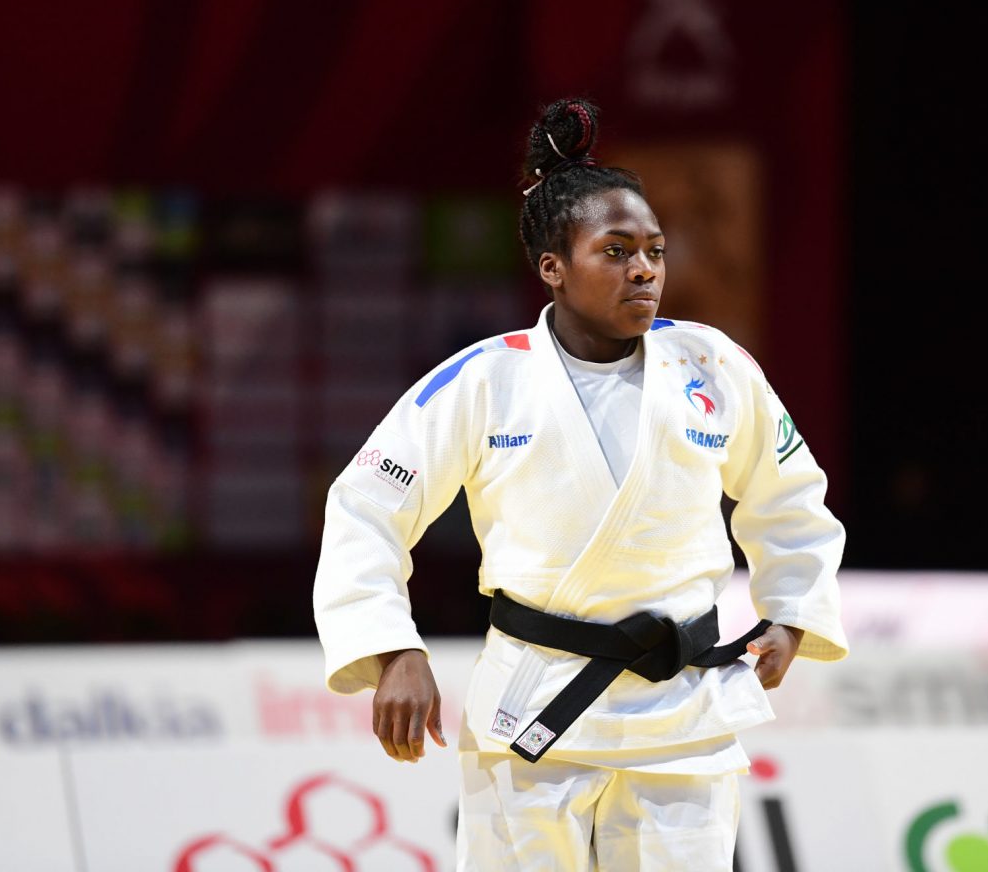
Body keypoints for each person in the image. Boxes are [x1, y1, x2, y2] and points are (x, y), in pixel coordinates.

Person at [313, 99, 847, 871]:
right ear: (552, 267)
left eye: (655, 251)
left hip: (683, 714)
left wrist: (792, 613)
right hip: (537, 707)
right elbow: (365, 506)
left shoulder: (714, 367)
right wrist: (392, 648)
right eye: (618, 249)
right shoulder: (484, 380)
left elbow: (791, 495)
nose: (644, 270)